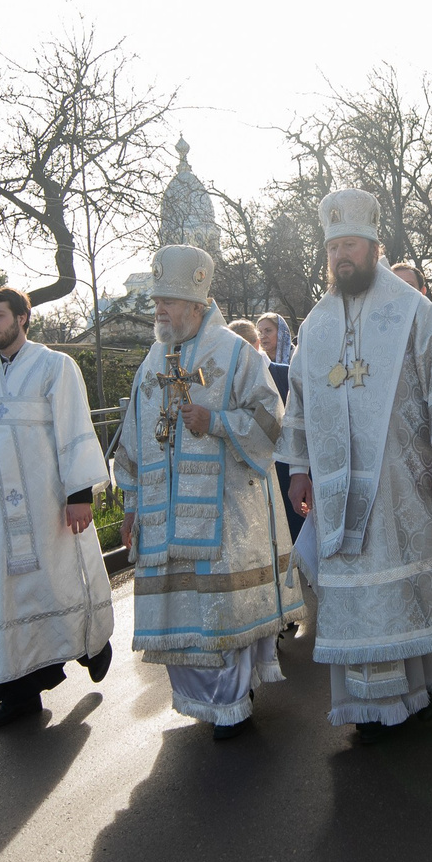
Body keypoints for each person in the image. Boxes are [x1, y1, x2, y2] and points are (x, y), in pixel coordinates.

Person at [282, 190, 432, 744]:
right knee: (357, 594)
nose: (341, 256)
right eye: (333, 248)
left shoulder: (412, 310)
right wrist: (300, 468)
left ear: (375, 248)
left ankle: (423, 690)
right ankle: (368, 702)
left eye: (350, 245)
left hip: (405, 480)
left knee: (410, 588)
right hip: (337, 491)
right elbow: (300, 403)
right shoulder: (316, 324)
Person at [116, 251, 301, 737]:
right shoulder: (152, 361)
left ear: (196, 304)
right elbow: (133, 438)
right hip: (163, 516)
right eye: (157, 300)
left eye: (168, 301)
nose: (159, 309)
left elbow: (271, 419)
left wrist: (215, 421)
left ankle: (233, 701)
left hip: (225, 513)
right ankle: (204, 700)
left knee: (221, 610)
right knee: (183, 615)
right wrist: (131, 504)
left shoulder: (236, 353)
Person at [0, 288, 115, 733]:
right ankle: (17, 696)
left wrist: (79, 494)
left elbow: (74, 427)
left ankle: (90, 644)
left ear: (22, 318)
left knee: (57, 581)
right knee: (3, 597)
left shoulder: (55, 366)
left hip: (46, 503)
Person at [257, 313, 305, 542]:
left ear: (282, 332)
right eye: (260, 332)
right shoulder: (258, 365)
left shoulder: (294, 361)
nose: (263, 336)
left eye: (268, 330)